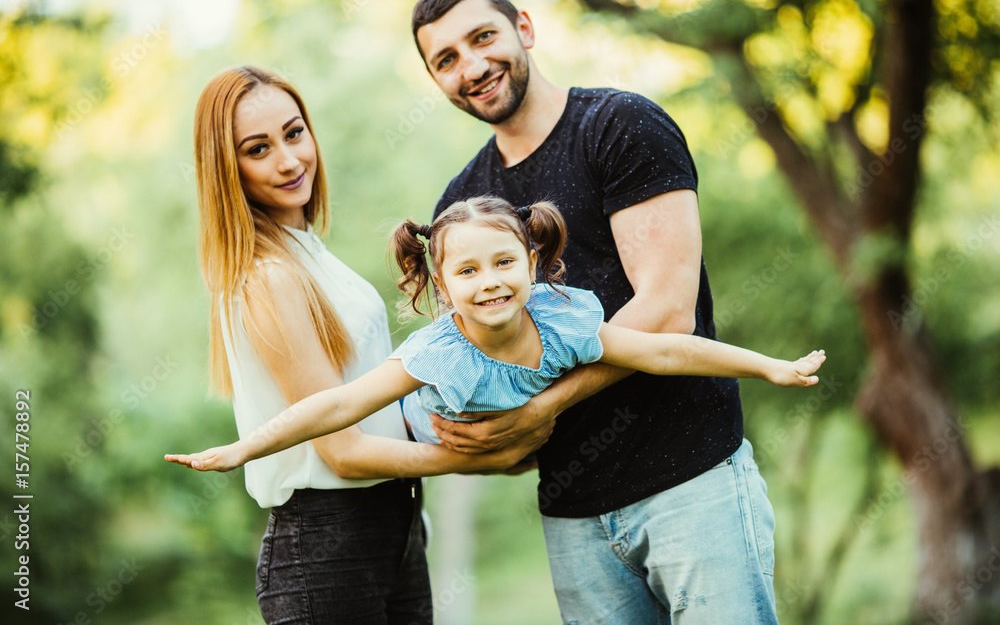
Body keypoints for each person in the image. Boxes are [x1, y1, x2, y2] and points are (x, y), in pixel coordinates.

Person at [409, 0, 792, 624]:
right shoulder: (461, 203)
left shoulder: (619, 126)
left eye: (483, 38)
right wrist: (478, 430)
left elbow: (668, 309)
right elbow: (484, 360)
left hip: (690, 482)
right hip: (572, 512)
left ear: (524, 29)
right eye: (446, 58)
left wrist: (541, 407)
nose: (471, 66)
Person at [174, 66, 547, 625]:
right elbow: (342, 451)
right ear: (227, 169)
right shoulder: (268, 275)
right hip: (326, 547)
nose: (289, 159)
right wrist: (485, 456)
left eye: (294, 133)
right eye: (258, 149)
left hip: (392, 525)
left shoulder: (310, 255)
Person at [164, 196, 824, 472]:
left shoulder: (561, 322)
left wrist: (768, 366)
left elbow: (665, 348)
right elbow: (338, 405)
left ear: (533, 265)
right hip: (430, 436)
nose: (490, 282)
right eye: (468, 271)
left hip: (519, 439)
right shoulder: (437, 352)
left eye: (505, 262)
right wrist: (245, 447)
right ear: (444, 289)